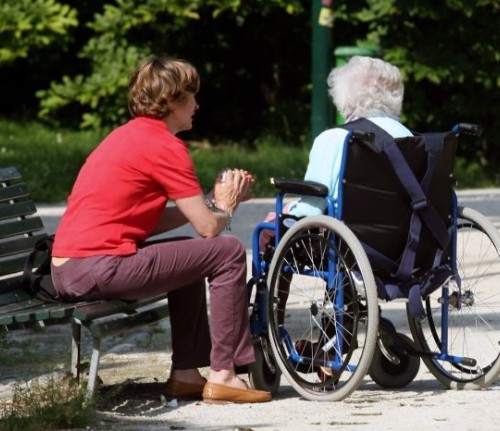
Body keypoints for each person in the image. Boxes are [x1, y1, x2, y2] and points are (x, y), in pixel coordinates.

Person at [50, 55, 271, 404]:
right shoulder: (166, 146)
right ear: (170, 102)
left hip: (70, 268)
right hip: (95, 267)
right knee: (226, 252)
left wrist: (211, 202)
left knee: (190, 252)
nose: (197, 104)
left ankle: (185, 373)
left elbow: (153, 220)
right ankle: (224, 373)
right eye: (191, 96)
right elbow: (209, 229)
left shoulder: (127, 136)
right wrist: (226, 206)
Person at [260, 55, 412, 250]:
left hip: (347, 243)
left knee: (268, 230)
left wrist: (286, 210)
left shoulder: (335, 138)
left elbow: (310, 210)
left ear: (343, 95)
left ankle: (269, 281)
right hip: (405, 242)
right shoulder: (409, 137)